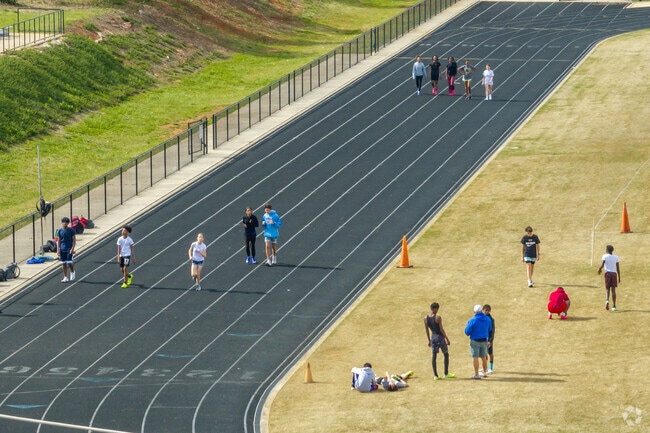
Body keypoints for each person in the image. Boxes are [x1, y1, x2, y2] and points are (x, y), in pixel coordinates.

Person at [424, 302, 455, 379]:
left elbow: (427, 330)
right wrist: (447, 339)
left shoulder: (425, 318)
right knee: (446, 354)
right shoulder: (438, 317)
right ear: (435, 309)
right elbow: (441, 329)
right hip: (440, 338)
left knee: (434, 356)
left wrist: (429, 340)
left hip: (433, 337)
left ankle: (435, 375)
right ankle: (446, 373)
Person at [464, 304, 492, 379]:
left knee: (475, 357)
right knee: (483, 357)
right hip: (484, 340)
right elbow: (489, 329)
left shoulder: (472, 320)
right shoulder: (488, 319)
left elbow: (467, 332)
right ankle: (485, 372)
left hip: (475, 341)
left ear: (474, 311)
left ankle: (477, 374)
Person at [597, 245, 621, 311]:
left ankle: (607, 300)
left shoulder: (605, 256)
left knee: (607, 289)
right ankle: (614, 306)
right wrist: (619, 277)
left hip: (607, 274)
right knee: (613, 290)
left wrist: (599, 269)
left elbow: (602, 265)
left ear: (607, 250)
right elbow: (618, 268)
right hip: (614, 274)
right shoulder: (616, 257)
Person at [56, 217, 77, 283]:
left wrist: (72, 248)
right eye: (63, 222)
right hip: (62, 249)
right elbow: (59, 240)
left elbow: (74, 240)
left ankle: (72, 271)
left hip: (69, 249)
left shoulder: (71, 230)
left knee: (69, 262)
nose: (64, 224)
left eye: (66, 222)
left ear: (68, 223)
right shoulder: (60, 231)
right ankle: (65, 277)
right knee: (63, 263)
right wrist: (58, 249)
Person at [482, 304, 495, 375]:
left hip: (489, 338)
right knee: (484, 353)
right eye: (485, 310)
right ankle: (485, 367)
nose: (486, 312)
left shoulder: (491, 319)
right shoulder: (482, 318)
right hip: (483, 338)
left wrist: (490, 340)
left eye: (488, 310)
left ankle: (491, 368)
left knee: (490, 353)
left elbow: (492, 331)